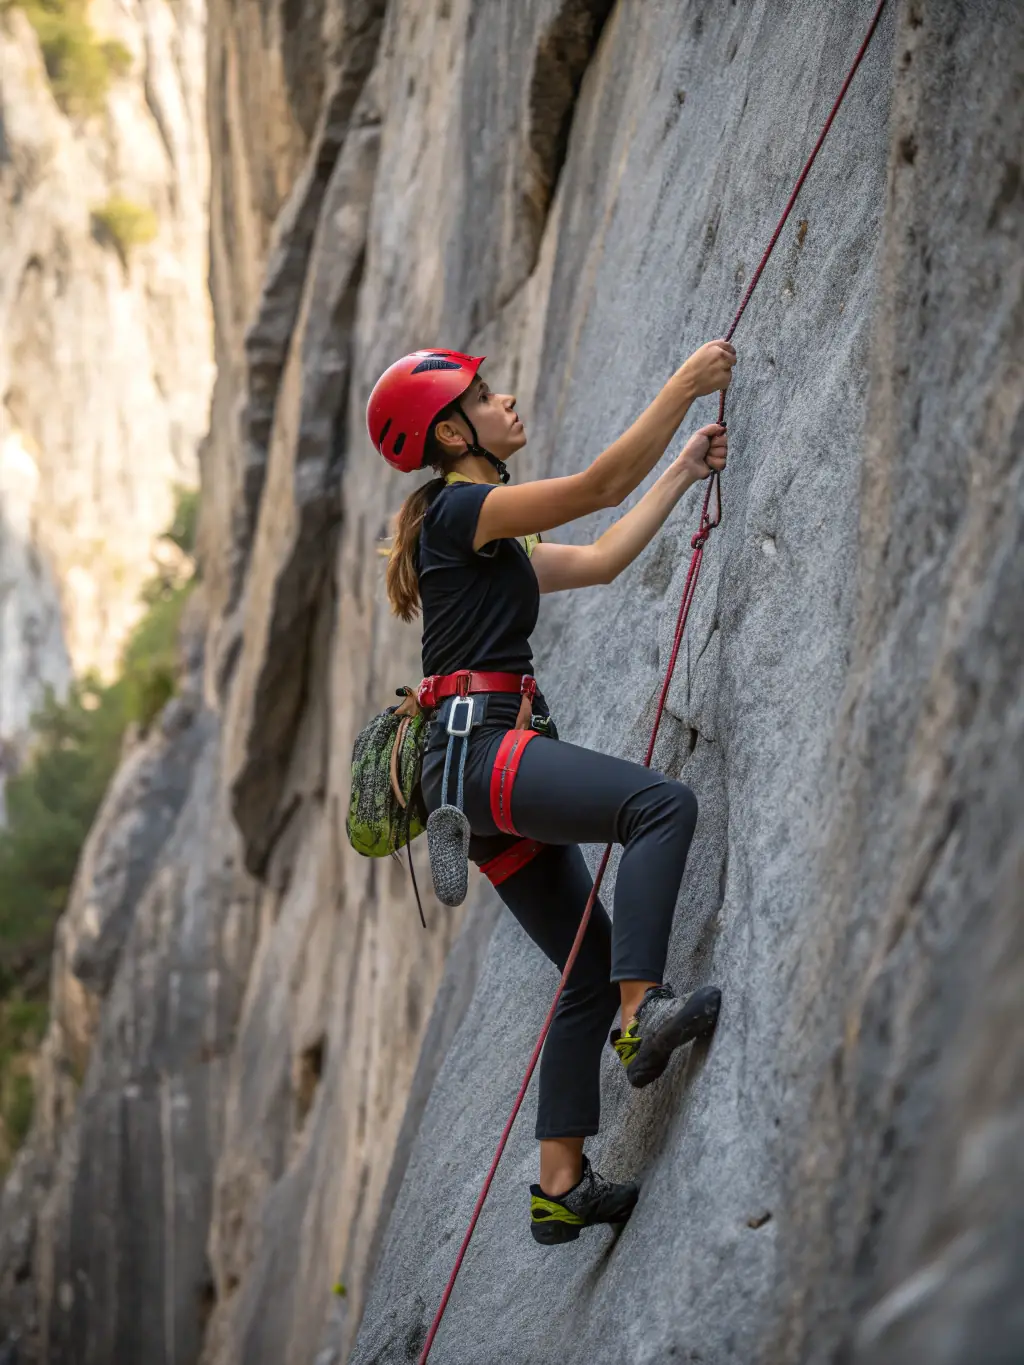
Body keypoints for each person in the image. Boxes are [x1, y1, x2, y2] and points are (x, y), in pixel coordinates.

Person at [367, 340, 735, 1244]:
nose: (509, 400)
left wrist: (683, 473)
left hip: (468, 779)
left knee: (582, 967)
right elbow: (598, 485)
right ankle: (643, 1016)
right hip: (482, 751)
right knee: (661, 807)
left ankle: (559, 1184)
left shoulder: (483, 540)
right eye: (487, 397)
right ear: (452, 432)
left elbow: (604, 554)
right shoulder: (463, 512)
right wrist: (682, 386)